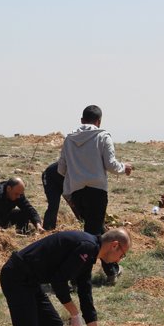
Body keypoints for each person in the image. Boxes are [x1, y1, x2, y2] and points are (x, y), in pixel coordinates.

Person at [0, 229, 130, 326]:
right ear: (115, 246)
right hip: (17, 277)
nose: (119, 260)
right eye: (122, 255)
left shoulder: (90, 254)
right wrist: (74, 314)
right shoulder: (86, 247)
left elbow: (86, 298)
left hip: (31, 281)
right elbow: (58, 282)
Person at [58, 105, 132, 283]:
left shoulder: (69, 139)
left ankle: (111, 268)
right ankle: (79, 275)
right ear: (99, 121)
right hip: (97, 191)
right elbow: (111, 165)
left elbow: (61, 169)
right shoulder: (102, 136)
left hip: (77, 192)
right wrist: (125, 168)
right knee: (92, 234)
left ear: (82, 120)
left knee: (94, 229)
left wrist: (77, 173)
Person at [41, 161, 79, 230]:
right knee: (53, 205)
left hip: (66, 180)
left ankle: (86, 225)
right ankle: (48, 229)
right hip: (50, 177)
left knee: (76, 203)